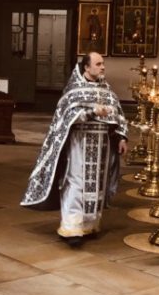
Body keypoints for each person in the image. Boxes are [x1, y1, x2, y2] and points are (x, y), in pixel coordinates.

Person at [21, 52, 128, 245]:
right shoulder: (73, 90)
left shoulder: (107, 90)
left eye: (103, 63)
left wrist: (121, 137)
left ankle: (90, 225)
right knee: (76, 183)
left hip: (102, 144)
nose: (102, 67)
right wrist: (91, 112)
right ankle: (72, 228)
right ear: (86, 67)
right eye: (98, 64)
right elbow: (65, 117)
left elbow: (119, 115)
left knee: (96, 186)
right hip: (79, 143)